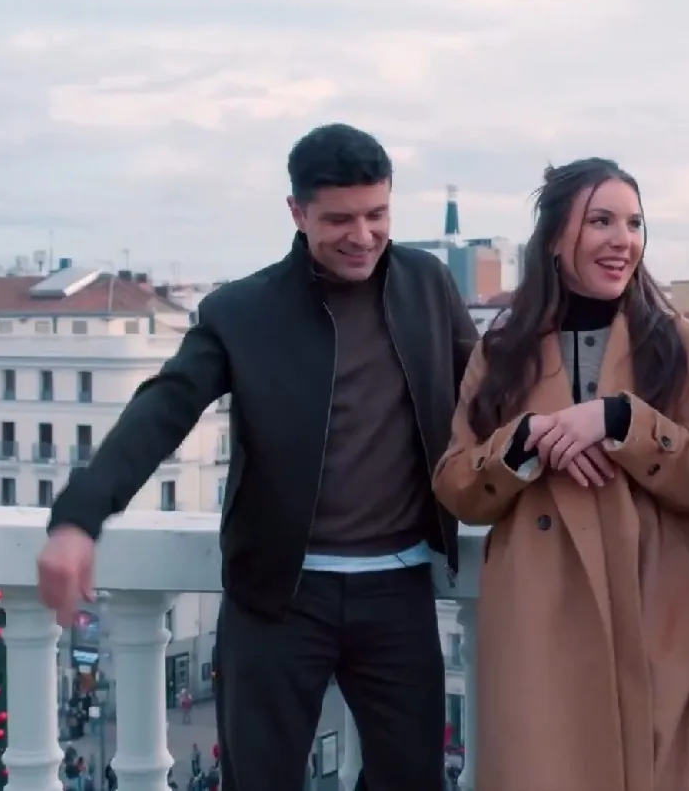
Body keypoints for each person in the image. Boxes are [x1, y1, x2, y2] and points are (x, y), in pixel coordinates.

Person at [35, 122, 478, 791]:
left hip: (399, 588)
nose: (363, 235)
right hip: (277, 596)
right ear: (297, 212)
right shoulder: (241, 310)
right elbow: (165, 409)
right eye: (339, 219)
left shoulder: (428, 284)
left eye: (377, 214)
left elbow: (487, 390)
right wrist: (78, 517)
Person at [433, 158, 689, 790]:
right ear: (553, 238)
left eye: (634, 223)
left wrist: (622, 421)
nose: (623, 240)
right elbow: (458, 487)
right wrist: (525, 442)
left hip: (662, 626)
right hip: (540, 629)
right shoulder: (501, 350)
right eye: (601, 221)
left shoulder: (679, 344)